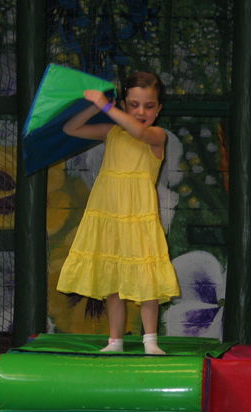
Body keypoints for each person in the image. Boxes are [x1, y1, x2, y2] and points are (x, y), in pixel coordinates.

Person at [56, 71, 180, 355]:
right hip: (110, 217)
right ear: (124, 105)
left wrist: (105, 106)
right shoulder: (112, 132)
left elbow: (138, 132)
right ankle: (115, 341)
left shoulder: (157, 136)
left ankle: (150, 341)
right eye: (134, 105)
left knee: (146, 281)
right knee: (113, 283)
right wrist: (96, 105)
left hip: (138, 219)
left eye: (149, 106)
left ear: (159, 109)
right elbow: (71, 129)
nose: (141, 112)